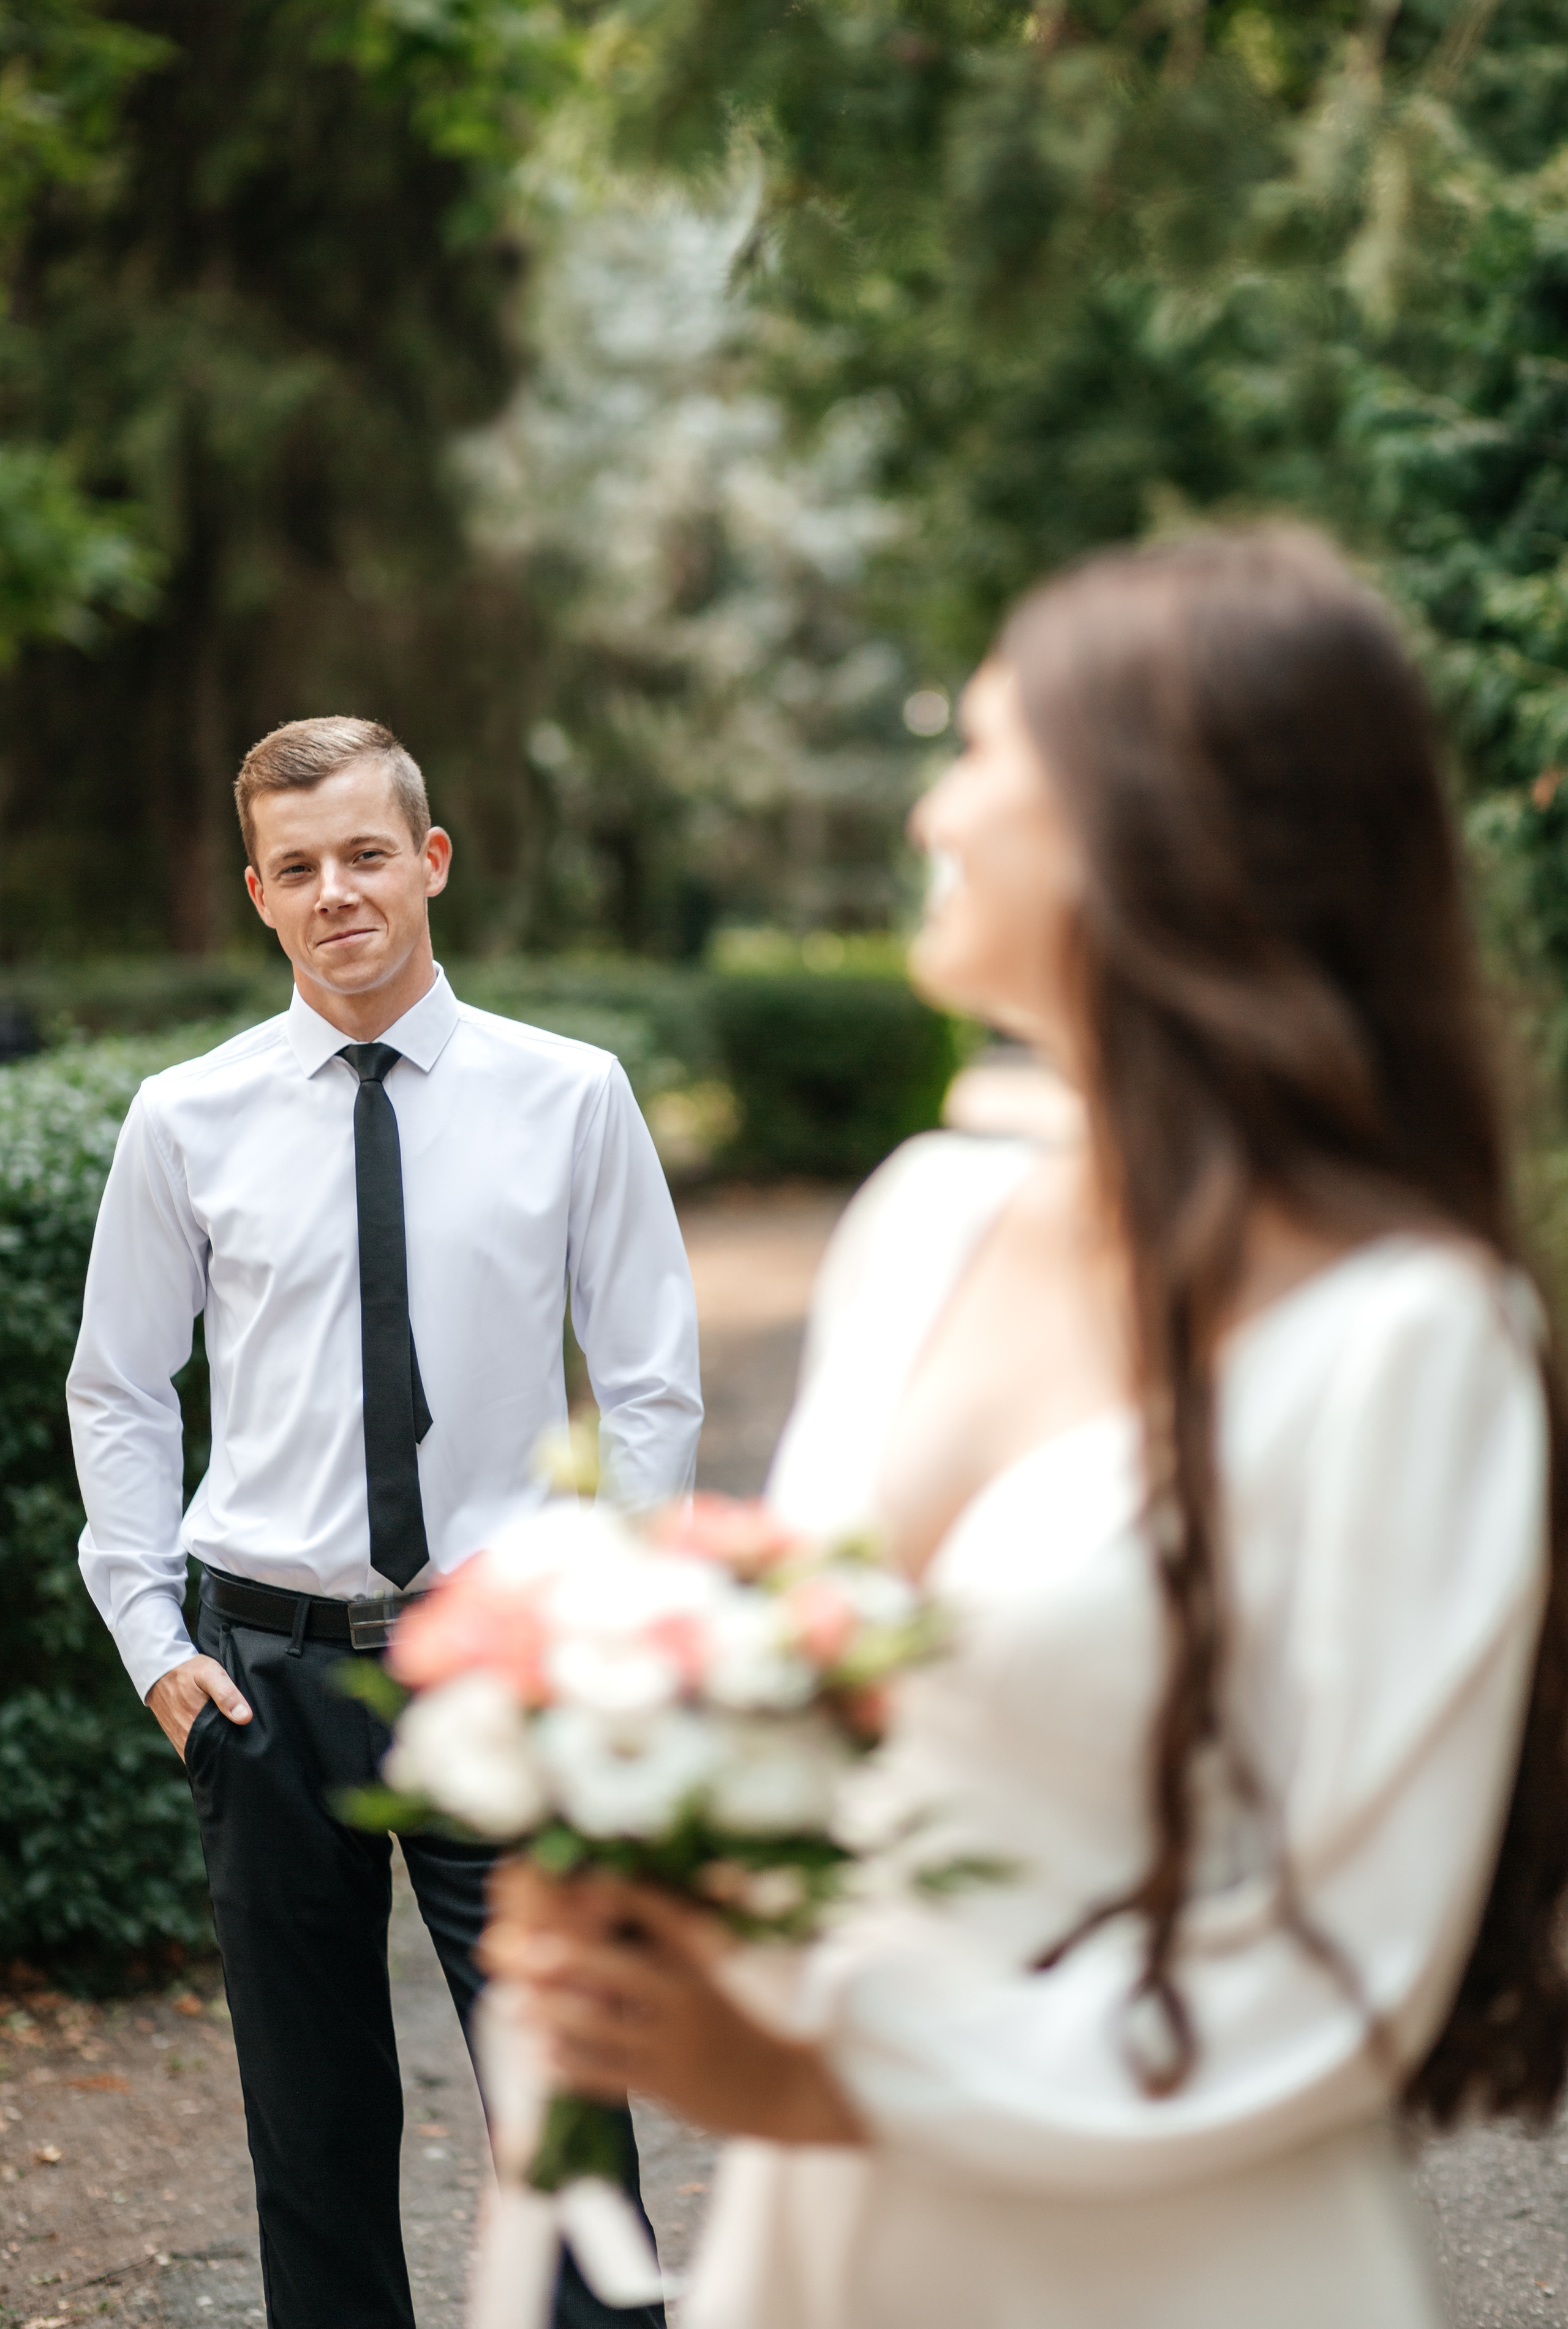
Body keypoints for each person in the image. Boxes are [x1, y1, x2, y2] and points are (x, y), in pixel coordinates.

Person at [484, 527, 1568, 2329]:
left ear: (1157, 823)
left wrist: (830, 2080)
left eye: (984, 749)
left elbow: (1341, 1971)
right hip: (830, 2247)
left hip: (1177, 2260)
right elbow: (828, 1720)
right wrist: (649, 1875)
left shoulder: (1413, 1336)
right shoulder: (922, 1221)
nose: (936, 815)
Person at [67, 715, 701, 2329]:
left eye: (364, 854)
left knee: (562, 2111)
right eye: (298, 868)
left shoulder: (570, 1098)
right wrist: (152, 1644)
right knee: (314, 2133)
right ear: (262, 897)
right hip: (264, 1678)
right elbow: (122, 1390)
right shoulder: (184, 1121)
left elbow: (648, 1390)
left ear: (429, 860)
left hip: (500, 1663)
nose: (335, 890)